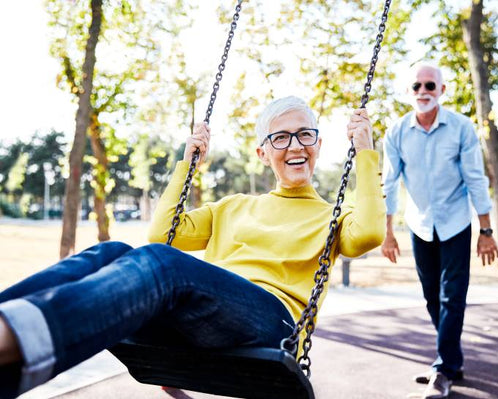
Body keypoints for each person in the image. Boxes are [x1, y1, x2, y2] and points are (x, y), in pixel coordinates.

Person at [0, 96, 385, 399]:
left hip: (272, 322)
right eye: (280, 138)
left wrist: (365, 150)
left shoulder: (335, 214)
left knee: (164, 266)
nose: (294, 145)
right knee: (108, 253)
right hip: (208, 315)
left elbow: (368, 233)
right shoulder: (233, 206)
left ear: (318, 143)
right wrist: (188, 164)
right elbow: (163, 231)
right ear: (262, 153)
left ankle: (13, 336)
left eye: (305, 134)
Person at [381, 63, 498, 399]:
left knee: (453, 296)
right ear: (409, 92)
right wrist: (388, 232)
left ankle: (443, 369)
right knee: (432, 295)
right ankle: (453, 360)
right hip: (419, 224)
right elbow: (389, 182)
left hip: (455, 223)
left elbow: (476, 179)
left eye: (430, 85)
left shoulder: (461, 128)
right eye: (416, 86)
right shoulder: (397, 132)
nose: (423, 92)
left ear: (442, 91)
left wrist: (486, 230)